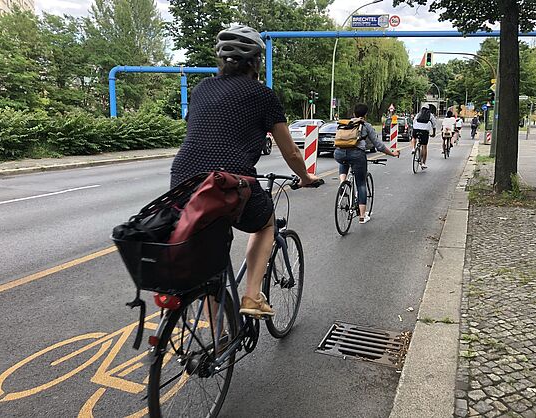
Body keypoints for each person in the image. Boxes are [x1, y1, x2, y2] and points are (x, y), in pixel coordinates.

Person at [170, 25, 320, 318]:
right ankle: (252, 296)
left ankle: (216, 341)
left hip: (184, 181)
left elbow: (199, 131)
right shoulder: (263, 95)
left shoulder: (202, 89)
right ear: (256, 62)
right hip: (229, 182)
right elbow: (290, 151)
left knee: (211, 264)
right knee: (265, 224)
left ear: (221, 61)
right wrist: (305, 177)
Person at [334, 104, 400, 224]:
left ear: (354, 114)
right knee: (361, 184)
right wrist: (392, 153)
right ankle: (362, 216)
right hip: (357, 155)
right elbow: (378, 145)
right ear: (365, 115)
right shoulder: (366, 126)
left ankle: (343, 182)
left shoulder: (344, 124)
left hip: (338, 153)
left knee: (344, 158)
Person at [410, 104, 437, 170]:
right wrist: (433, 133)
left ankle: (413, 148)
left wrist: (415, 128)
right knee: (424, 146)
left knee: (414, 138)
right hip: (425, 131)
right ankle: (423, 163)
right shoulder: (430, 115)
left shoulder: (418, 114)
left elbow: (414, 122)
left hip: (416, 129)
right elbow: (434, 125)